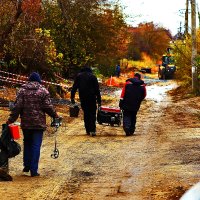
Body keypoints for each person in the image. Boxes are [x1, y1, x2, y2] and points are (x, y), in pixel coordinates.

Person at [7, 72, 59, 177]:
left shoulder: (22, 91)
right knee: (36, 145)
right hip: (38, 124)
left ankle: (26, 165)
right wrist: (55, 115)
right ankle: (34, 170)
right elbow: (48, 107)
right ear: (39, 80)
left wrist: (11, 119)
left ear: (29, 80)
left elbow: (17, 107)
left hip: (26, 123)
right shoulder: (43, 91)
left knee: (27, 143)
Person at [70, 66, 101, 136]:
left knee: (86, 113)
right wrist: (99, 100)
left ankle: (87, 130)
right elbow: (97, 90)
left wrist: (72, 98)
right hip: (92, 98)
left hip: (83, 98)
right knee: (92, 114)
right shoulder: (93, 76)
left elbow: (74, 88)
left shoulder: (79, 76)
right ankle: (92, 130)